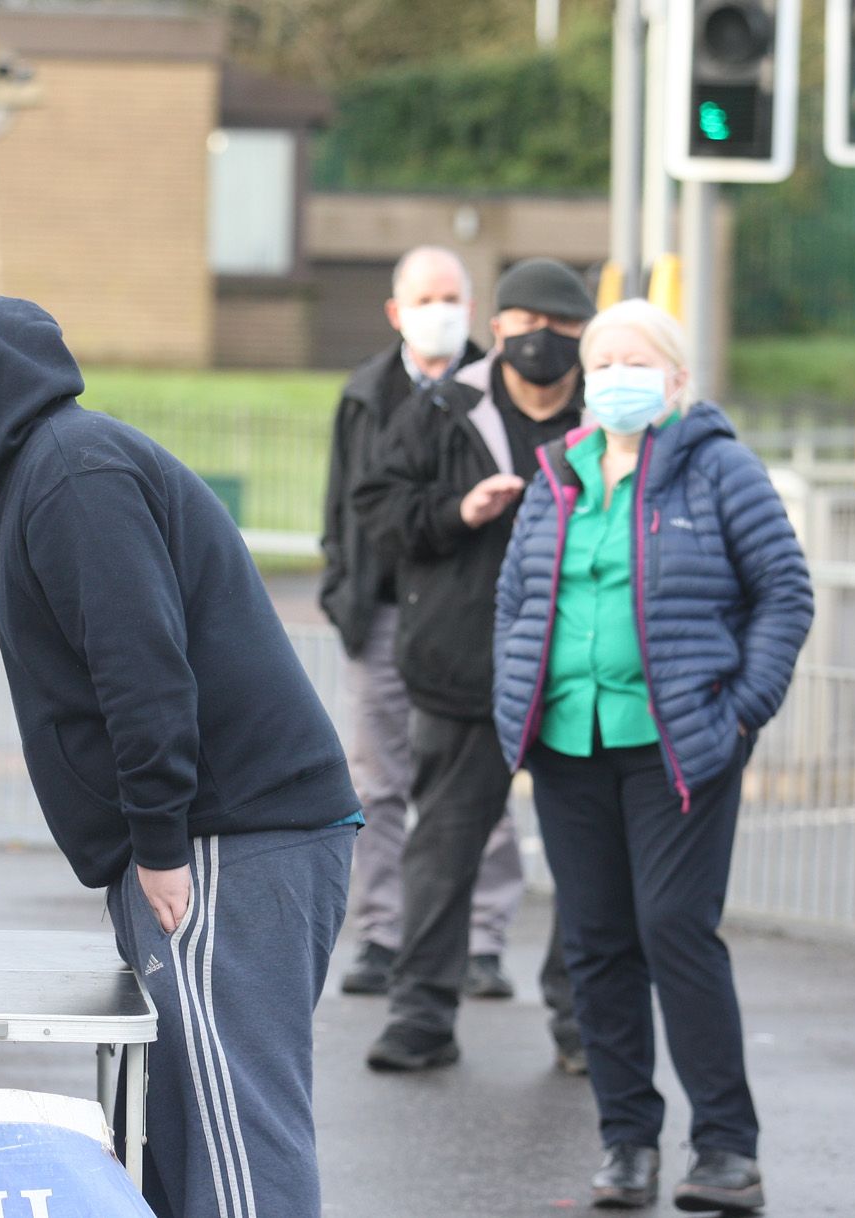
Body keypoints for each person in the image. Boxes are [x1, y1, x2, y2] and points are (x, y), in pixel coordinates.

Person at [0, 297, 360, 1218]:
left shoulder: (72, 475)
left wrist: (160, 843)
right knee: (181, 1118)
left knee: (234, 1130)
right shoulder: (47, 474)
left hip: (230, 836)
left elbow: (142, 674)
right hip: (218, 835)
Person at [493, 299, 812, 1213]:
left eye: (638, 362)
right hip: (568, 742)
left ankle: (726, 1149)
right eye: (604, 363)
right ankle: (626, 1141)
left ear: (676, 381)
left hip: (680, 744)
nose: (617, 378)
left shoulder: (718, 471)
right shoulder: (561, 473)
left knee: (675, 928)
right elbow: (516, 599)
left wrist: (742, 710)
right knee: (594, 944)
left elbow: (784, 593)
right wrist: (512, 700)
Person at [354, 257, 593, 1073]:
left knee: (588, 862)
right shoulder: (445, 411)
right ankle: (420, 1018)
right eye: (529, 328)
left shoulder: (605, 419)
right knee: (444, 850)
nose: (545, 347)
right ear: (500, 330)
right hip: (464, 666)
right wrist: (459, 511)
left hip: (580, 675)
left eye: (564, 332)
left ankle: (583, 1026)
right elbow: (378, 511)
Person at [317, 245, 526, 999]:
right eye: (426, 298)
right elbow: (346, 502)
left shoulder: (495, 390)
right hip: (377, 616)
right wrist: (341, 584)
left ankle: (481, 940)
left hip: (467, 622)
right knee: (377, 785)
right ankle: (383, 934)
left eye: (454, 297)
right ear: (395, 311)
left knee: (478, 788)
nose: (442, 311)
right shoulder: (366, 394)